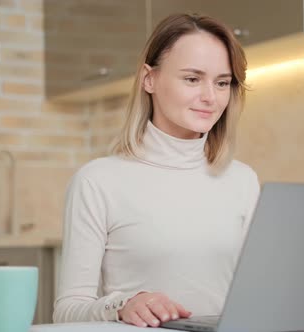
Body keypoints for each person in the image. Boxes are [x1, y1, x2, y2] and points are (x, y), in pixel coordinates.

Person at [53, 13, 260, 328]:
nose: (210, 97)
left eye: (222, 82)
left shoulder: (243, 180)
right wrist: (123, 305)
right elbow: (68, 310)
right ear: (149, 79)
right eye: (192, 79)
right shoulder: (98, 181)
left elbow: (257, 293)